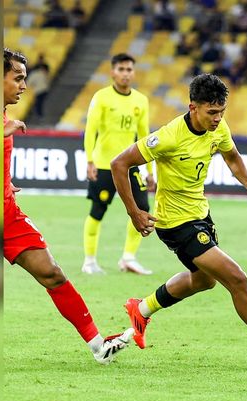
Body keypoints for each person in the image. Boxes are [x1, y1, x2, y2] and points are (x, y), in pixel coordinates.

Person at [110, 74, 247, 370]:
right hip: (175, 223)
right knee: (237, 279)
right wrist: (134, 211)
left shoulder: (217, 128)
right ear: (192, 107)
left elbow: (232, 156)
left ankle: (141, 309)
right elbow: (119, 163)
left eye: (221, 112)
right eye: (211, 112)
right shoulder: (168, 136)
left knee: (204, 280)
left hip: (201, 216)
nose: (217, 118)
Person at [3, 48, 133, 364]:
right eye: (18, 78)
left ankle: (99, 346)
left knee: (53, 274)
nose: (24, 85)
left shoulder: (3, 117)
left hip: (6, 214)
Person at [82, 53, 154, 275]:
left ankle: (128, 258)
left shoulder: (141, 101)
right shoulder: (101, 97)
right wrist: (89, 161)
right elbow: (90, 130)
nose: (125, 73)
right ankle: (90, 261)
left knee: (142, 209)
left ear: (134, 72)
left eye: (129, 69)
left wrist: (149, 170)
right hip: (104, 165)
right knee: (98, 210)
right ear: (113, 72)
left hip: (129, 166)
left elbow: (144, 137)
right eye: (121, 69)